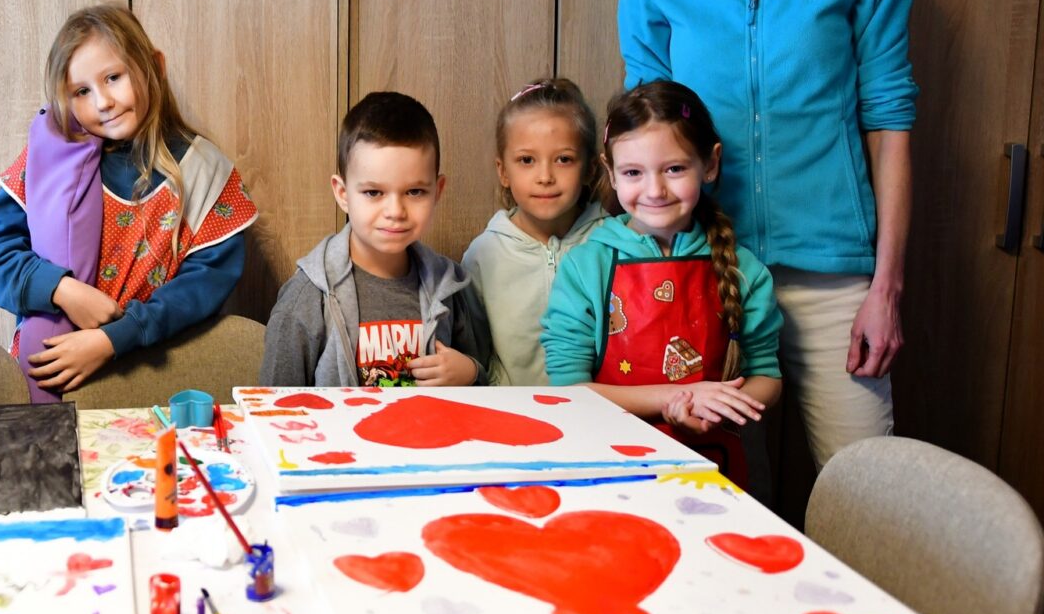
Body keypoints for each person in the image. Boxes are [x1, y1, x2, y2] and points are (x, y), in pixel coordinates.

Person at [618, 0, 915, 469]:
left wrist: (885, 287)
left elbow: (890, 123)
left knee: (864, 485)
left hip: (831, 274)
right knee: (708, 483)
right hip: (701, 267)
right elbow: (641, 133)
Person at [0, 3, 257, 401]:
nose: (103, 101)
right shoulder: (49, 164)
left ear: (155, 66)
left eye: (113, 78)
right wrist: (63, 291)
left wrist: (114, 337)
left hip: (150, 375)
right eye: (82, 92)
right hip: (53, 375)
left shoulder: (203, 171)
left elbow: (203, 286)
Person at [541, 81, 782, 490]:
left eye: (674, 169)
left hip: (715, 468)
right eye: (633, 172)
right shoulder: (585, 267)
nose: (655, 190)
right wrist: (675, 400)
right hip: (607, 468)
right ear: (610, 173)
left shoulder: (746, 271)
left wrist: (716, 408)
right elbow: (570, 388)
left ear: (710, 164)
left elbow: (768, 377)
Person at [260, 91, 490, 388]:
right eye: (373, 192)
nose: (395, 211)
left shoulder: (449, 287)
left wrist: (470, 372)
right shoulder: (308, 297)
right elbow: (273, 401)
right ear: (343, 194)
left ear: (438, 191)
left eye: (415, 192)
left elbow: (483, 388)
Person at [463, 79, 606, 385]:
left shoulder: (611, 243)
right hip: (509, 410)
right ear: (503, 171)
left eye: (564, 159)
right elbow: (473, 353)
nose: (545, 177)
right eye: (527, 160)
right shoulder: (483, 255)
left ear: (590, 169)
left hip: (600, 407)